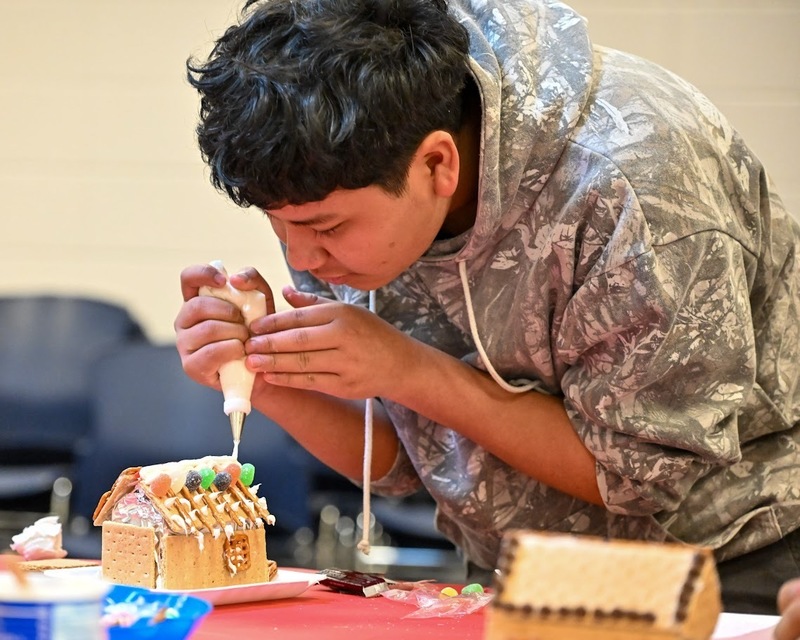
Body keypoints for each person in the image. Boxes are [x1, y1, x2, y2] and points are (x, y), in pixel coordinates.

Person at [175, 0, 800, 615]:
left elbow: (638, 476)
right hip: (514, 572)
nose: (303, 255)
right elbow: (400, 464)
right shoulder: (345, 182)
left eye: (326, 227)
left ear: (438, 164)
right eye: (278, 225)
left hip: (728, 567)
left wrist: (408, 370)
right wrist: (265, 375)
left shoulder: (633, 183)